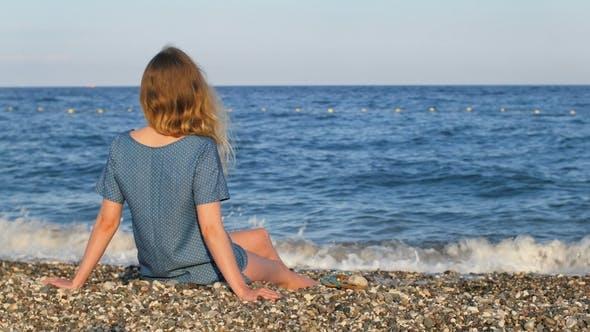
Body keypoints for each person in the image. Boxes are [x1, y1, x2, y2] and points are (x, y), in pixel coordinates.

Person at [42, 46, 317, 301]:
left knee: (260, 237)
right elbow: (210, 229)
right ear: (192, 94)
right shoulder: (200, 148)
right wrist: (242, 290)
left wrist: (77, 281)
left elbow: (106, 222)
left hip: (154, 267)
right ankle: (303, 286)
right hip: (198, 268)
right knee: (286, 276)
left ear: (147, 95)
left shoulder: (120, 146)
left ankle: (270, 278)